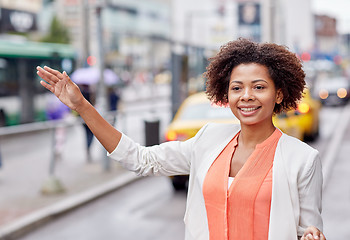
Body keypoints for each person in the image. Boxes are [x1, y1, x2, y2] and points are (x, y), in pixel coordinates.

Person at [36, 38, 326, 240]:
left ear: (278, 94)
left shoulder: (302, 159)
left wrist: (312, 236)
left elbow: (307, 230)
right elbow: (140, 160)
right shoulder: (209, 139)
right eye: (237, 88)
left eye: (259, 87)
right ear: (227, 94)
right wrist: (83, 107)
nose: (247, 96)